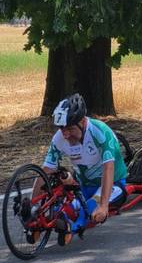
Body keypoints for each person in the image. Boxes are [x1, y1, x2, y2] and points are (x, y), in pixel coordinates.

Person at [30, 93, 127, 245]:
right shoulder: (59, 138)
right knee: (62, 209)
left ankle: (71, 228)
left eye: (69, 128)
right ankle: (44, 224)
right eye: (62, 129)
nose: (65, 134)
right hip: (83, 186)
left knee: (91, 206)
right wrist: (32, 206)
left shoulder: (100, 132)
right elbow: (46, 170)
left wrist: (104, 206)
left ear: (82, 121)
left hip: (113, 183)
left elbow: (108, 168)